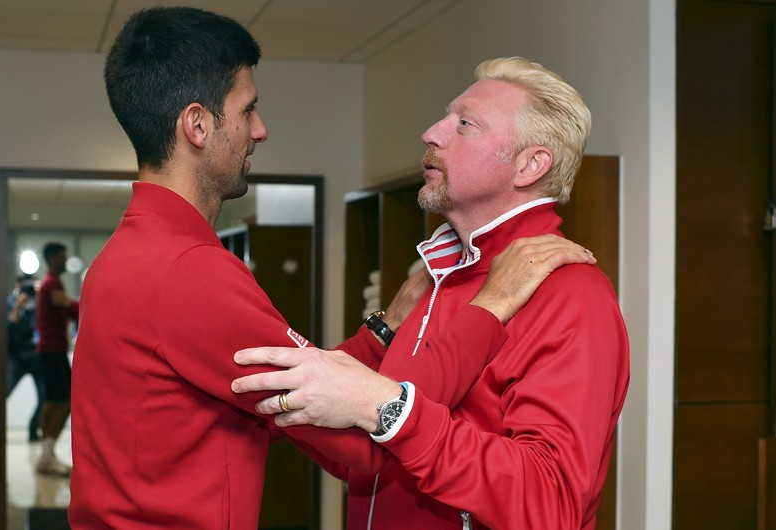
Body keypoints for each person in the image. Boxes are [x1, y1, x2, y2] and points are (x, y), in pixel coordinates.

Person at [68, 8, 596, 529]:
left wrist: (381, 331)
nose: (260, 130)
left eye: (464, 124)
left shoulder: (123, 257)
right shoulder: (189, 273)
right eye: (248, 110)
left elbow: (309, 399)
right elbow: (360, 445)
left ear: (532, 164)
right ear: (198, 125)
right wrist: (487, 310)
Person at [232, 57, 630, 530]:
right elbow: (364, 459)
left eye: (464, 124)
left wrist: (396, 414)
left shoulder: (568, 292)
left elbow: (553, 503)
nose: (431, 132)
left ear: (529, 165)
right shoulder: (436, 278)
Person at [35, 242, 79, 476]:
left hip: (49, 351)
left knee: (53, 402)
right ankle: (47, 456)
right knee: (64, 401)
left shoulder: (49, 284)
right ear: (52, 258)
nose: (65, 260)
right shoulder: (52, 284)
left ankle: (46, 455)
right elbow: (74, 310)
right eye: (62, 256)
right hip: (53, 351)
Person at [6, 274, 43, 442]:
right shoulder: (9, 302)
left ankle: (33, 431)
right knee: (3, 392)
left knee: (44, 396)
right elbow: (9, 326)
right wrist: (18, 307)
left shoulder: (39, 303)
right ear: (17, 285)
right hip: (15, 356)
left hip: (36, 356)